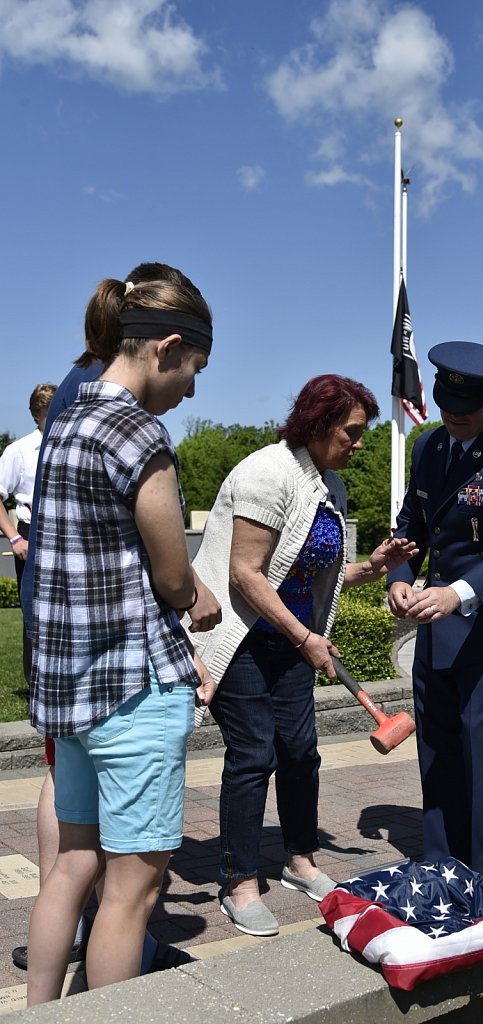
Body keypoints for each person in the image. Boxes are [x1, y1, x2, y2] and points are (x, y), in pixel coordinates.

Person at [26, 272, 222, 1005]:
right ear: (167, 347)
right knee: (131, 894)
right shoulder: (139, 432)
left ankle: (39, 1014)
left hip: (71, 693)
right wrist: (197, 597)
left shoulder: (66, 423)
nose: (192, 391)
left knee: (71, 869)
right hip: (132, 693)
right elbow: (174, 576)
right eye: (194, 370)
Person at [190, 374, 417, 937]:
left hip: (290, 639)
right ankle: (239, 882)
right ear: (318, 424)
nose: (360, 442)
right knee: (254, 754)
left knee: (300, 752)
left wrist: (373, 567)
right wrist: (305, 637)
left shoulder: (329, 484)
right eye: (353, 431)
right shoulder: (268, 472)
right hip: (240, 636)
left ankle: (299, 861)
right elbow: (245, 573)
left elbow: (318, 572)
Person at [387, 341, 483, 885]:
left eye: (465, 409)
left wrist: (456, 593)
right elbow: (411, 529)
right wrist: (399, 578)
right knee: (437, 746)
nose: (452, 417)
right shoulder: (429, 448)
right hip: (436, 626)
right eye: (445, 405)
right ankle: (442, 862)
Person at [0, 383, 57, 681]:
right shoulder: (18, 451)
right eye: (50, 413)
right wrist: (14, 538)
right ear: (37, 415)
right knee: (34, 614)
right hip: (30, 533)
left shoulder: (67, 445)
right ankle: (35, 683)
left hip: (62, 533)